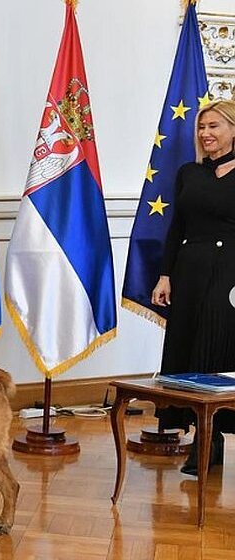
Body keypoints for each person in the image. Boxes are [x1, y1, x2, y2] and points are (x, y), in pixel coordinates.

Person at [152, 98, 235, 476]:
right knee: (187, 350)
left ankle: (211, 437)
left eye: (214, 126)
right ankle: (200, 434)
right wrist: (165, 275)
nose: (205, 133)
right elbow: (176, 228)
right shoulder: (189, 172)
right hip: (190, 271)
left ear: (232, 129)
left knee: (217, 350)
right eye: (201, 127)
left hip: (230, 273)